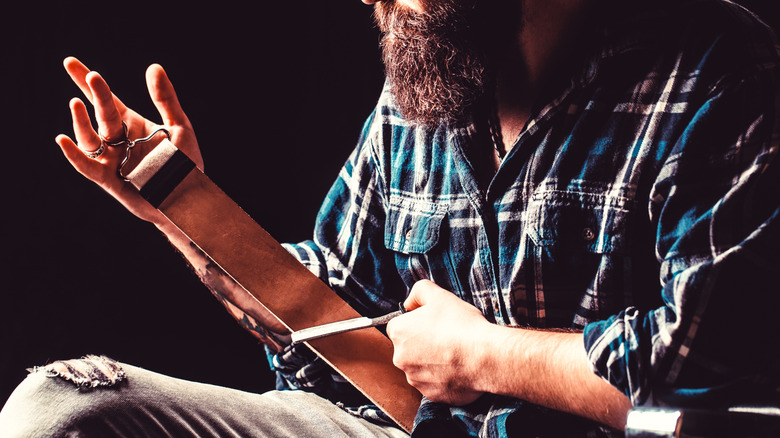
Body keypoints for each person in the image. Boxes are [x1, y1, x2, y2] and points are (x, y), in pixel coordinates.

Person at [1, 0, 779, 436]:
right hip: (411, 434)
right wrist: (181, 203)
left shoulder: (715, 74)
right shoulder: (433, 81)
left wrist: (484, 356)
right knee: (60, 412)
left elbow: (716, 378)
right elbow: (339, 322)